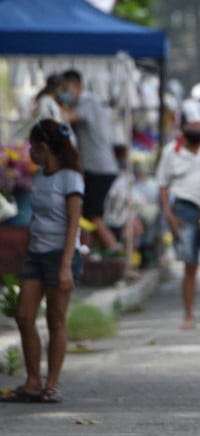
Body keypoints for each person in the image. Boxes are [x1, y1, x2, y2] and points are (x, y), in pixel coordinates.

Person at [0, 119, 84, 403]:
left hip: (60, 257)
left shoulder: (71, 178)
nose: (30, 152)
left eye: (33, 147)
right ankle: (32, 381)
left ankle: (52, 384)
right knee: (24, 316)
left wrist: (65, 266)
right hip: (36, 255)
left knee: (55, 320)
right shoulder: (41, 176)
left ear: (43, 147)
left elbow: (74, 224)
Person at [156, 99, 200, 330]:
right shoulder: (170, 153)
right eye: (192, 126)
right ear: (183, 127)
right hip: (183, 210)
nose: (197, 130)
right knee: (190, 264)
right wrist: (169, 216)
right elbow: (163, 186)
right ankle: (188, 314)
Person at [60, 69, 120, 252]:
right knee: (89, 214)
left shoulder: (88, 102)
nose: (64, 93)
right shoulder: (88, 103)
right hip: (98, 167)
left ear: (77, 86)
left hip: (99, 168)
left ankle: (117, 254)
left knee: (94, 215)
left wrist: (51, 103)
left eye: (65, 88)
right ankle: (102, 253)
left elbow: (68, 117)